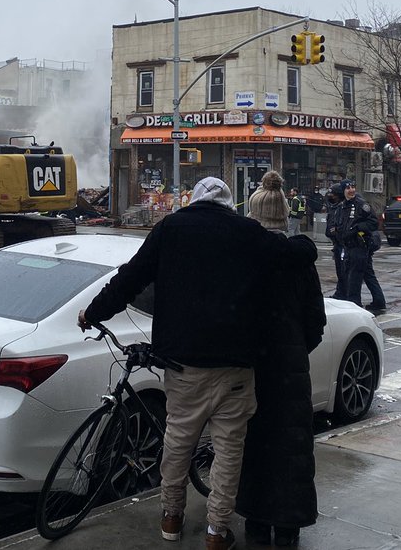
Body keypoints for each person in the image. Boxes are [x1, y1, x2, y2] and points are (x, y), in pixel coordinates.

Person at [78, 176, 318, 550]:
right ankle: (216, 532)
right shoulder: (245, 231)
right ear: (227, 203)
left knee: (177, 442)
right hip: (234, 368)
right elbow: (296, 256)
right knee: (228, 451)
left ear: (194, 200)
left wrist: (93, 313)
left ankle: (171, 517)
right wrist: (303, 239)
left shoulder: (170, 228)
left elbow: (130, 278)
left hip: (183, 365)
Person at [238, 174, 327, 546]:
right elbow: (316, 323)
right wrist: (293, 349)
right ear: (284, 216)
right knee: (292, 445)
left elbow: (235, 315)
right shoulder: (301, 262)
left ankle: (257, 523)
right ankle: (288, 528)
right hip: (292, 370)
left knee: (253, 444)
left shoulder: (245, 260)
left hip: (253, 368)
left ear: (255, 214)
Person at [339, 179, 387, 313]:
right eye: (348, 188)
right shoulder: (344, 205)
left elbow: (373, 223)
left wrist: (358, 228)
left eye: (353, 187)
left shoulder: (360, 204)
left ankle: (354, 303)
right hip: (349, 245)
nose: (351, 190)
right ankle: (379, 301)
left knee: (354, 276)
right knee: (367, 274)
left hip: (360, 245)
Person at [322, 183, 347, 299]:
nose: (330, 196)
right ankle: (340, 293)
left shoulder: (343, 207)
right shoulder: (333, 207)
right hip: (336, 244)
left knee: (344, 271)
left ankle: (346, 294)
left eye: (333, 194)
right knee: (339, 271)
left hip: (343, 244)